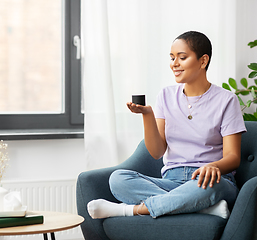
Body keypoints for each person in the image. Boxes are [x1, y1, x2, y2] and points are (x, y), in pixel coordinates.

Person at [87, 31, 246, 220]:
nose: (174, 64)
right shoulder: (166, 95)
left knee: (212, 186)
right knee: (119, 179)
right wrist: (148, 115)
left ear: (203, 61)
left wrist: (214, 167)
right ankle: (199, 207)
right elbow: (156, 152)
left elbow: (233, 157)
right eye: (172, 58)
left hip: (208, 181)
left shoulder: (227, 100)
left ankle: (129, 210)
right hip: (171, 181)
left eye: (182, 57)